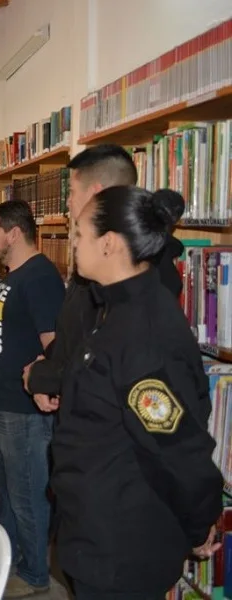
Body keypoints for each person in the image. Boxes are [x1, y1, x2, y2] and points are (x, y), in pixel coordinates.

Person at [49, 185, 223, 599]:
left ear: (108, 244)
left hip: (121, 545)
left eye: (79, 234)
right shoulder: (113, 309)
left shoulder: (143, 333)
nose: (72, 243)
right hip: (94, 528)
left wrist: (200, 522)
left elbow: (177, 447)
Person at [24, 144, 183, 406]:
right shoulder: (95, 261)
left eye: (72, 192)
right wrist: (49, 376)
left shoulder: (143, 273)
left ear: (96, 194)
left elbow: (108, 362)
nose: (68, 202)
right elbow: (75, 336)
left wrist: (44, 377)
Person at [0, 200, 65, 598]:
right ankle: (7, 559)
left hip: (24, 408)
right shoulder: (13, 274)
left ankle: (35, 574)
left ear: (14, 233)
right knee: (9, 491)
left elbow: (55, 346)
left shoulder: (40, 277)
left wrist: (45, 384)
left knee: (28, 492)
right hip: (2, 401)